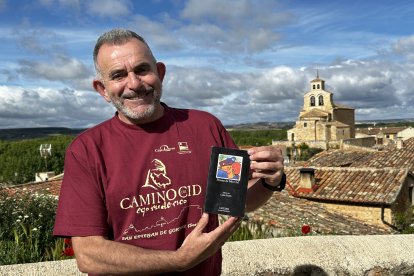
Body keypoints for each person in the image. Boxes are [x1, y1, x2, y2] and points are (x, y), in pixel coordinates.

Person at [54, 28, 285, 276]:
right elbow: (89, 256)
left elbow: (238, 202)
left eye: (142, 69)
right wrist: (179, 261)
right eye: (118, 75)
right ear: (102, 89)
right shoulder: (87, 150)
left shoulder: (205, 127)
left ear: (160, 73)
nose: (134, 84)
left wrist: (270, 182)